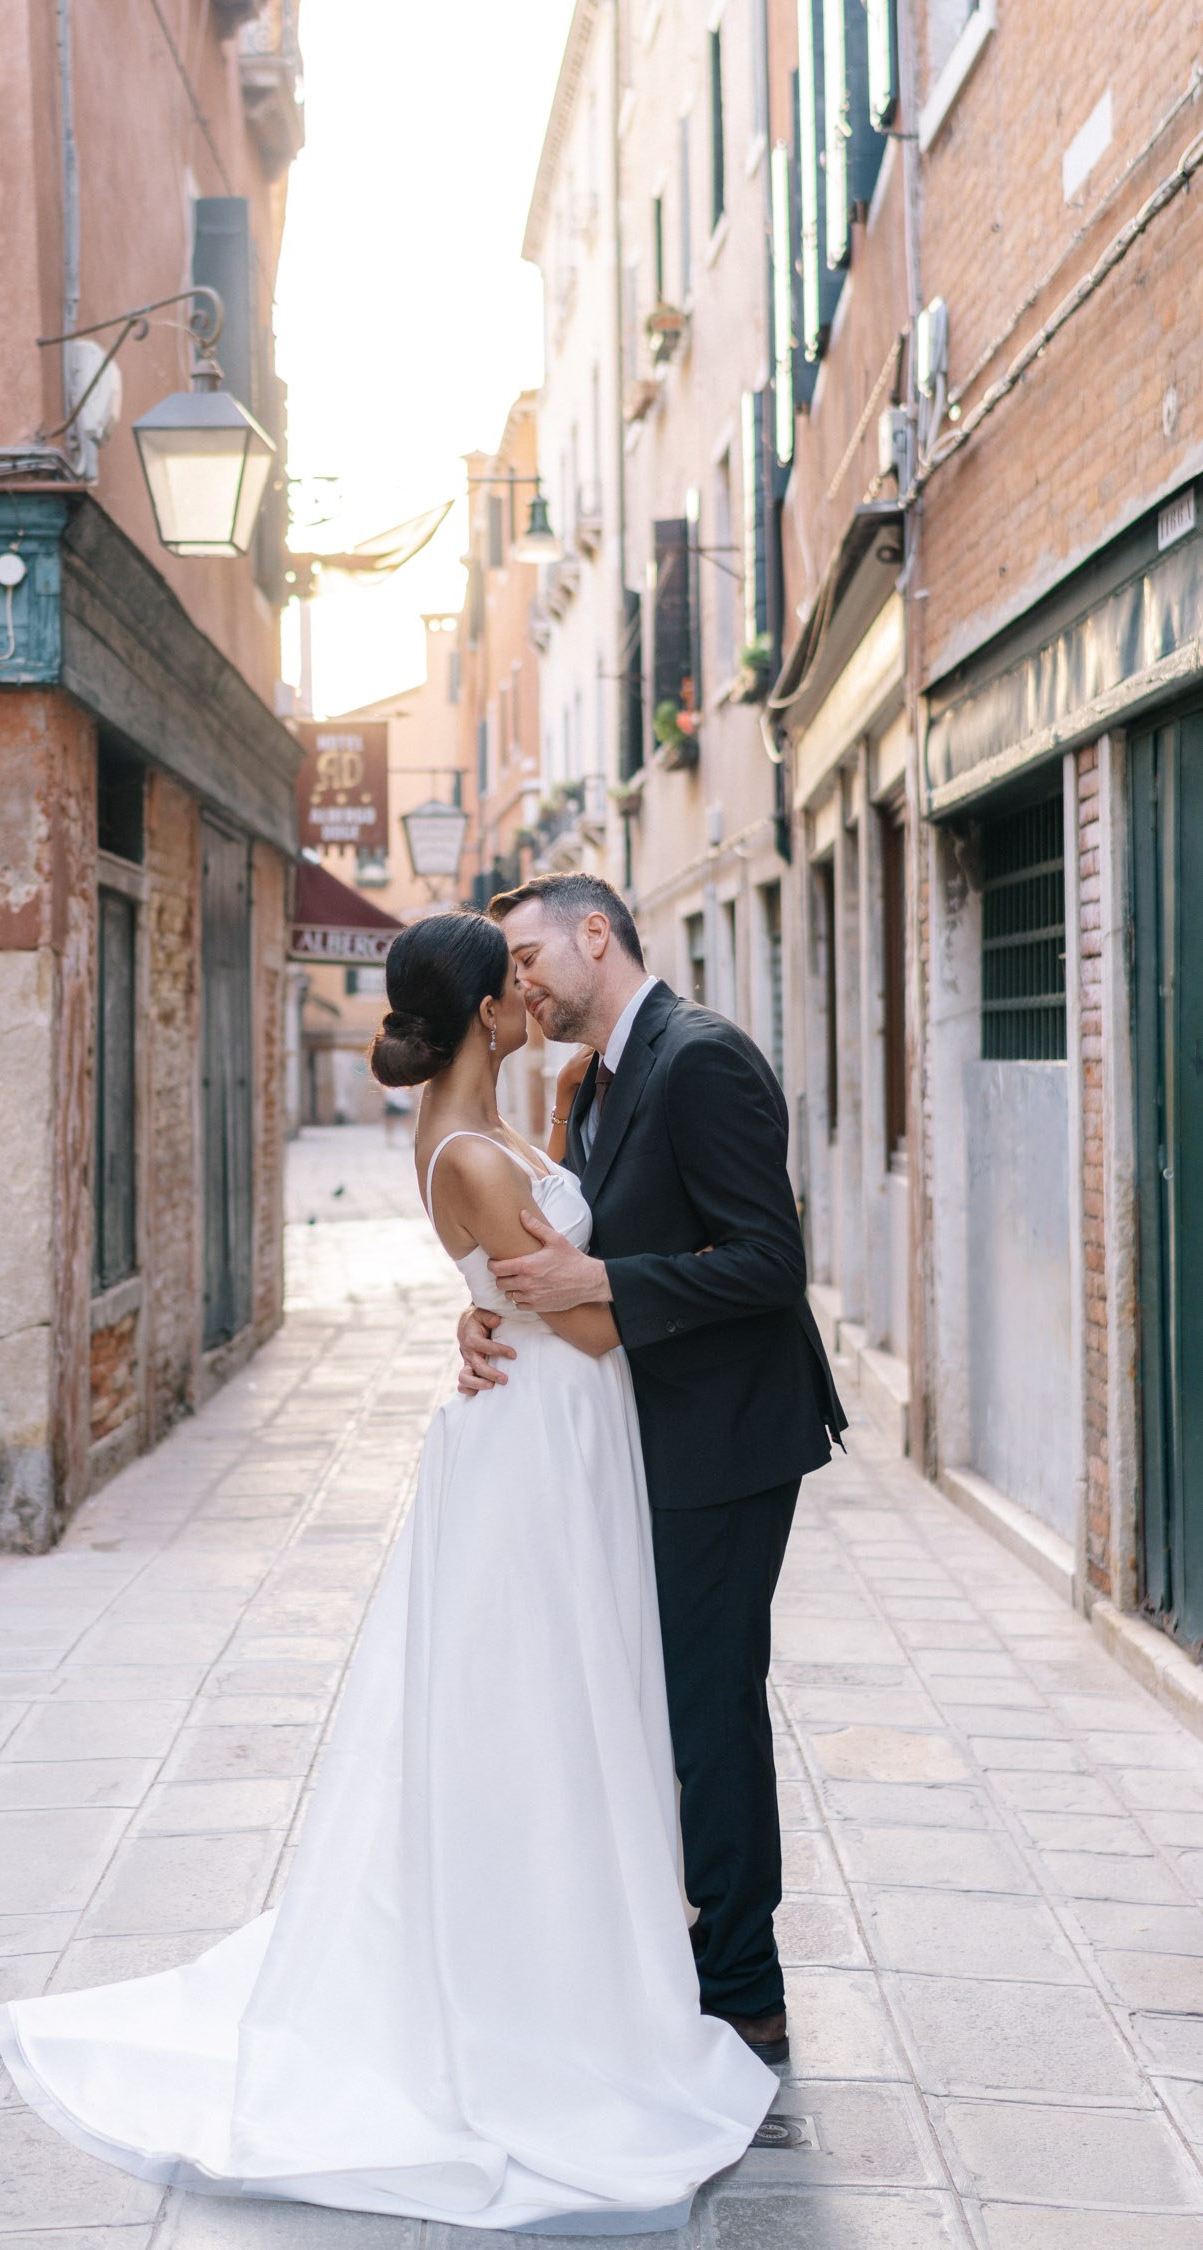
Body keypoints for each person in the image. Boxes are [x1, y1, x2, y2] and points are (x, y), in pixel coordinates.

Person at [0, 910, 776, 2234]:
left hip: (536, 1417)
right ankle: (538, 1982)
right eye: (513, 976)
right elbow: (582, 1319)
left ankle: (574, 1951)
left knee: (551, 1700)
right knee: (539, 1704)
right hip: (543, 1426)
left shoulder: (486, 1126)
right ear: (481, 1009)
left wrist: (512, 1298)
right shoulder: (470, 1150)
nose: (532, 988)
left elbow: (536, 1282)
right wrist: (541, 1296)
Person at [459, 871, 847, 2068]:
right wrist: (496, 1315)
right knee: (656, 1696)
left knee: (705, 1703)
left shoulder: (700, 1057)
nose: (519, 981)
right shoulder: (593, 1080)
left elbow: (771, 1263)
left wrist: (609, 1286)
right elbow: (575, 1244)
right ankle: (681, 1940)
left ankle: (744, 1989)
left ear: (597, 934)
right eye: (507, 969)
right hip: (646, 1428)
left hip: (727, 1439)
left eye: (529, 956)